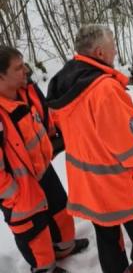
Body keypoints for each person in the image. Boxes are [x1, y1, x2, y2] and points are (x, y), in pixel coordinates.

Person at [46, 25, 133, 273]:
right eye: (113, 47)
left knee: (107, 236)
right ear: (99, 52)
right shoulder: (105, 90)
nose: (115, 51)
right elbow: (129, 149)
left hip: (88, 184)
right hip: (119, 185)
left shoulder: (65, 85)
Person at [0, 46, 89, 273]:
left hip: (43, 171)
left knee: (60, 211)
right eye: (18, 68)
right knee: (34, 233)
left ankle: (64, 249)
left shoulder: (24, 91)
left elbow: (44, 115)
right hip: (20, 189)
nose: (26, 72)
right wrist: (13, 195)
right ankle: (45, 269)